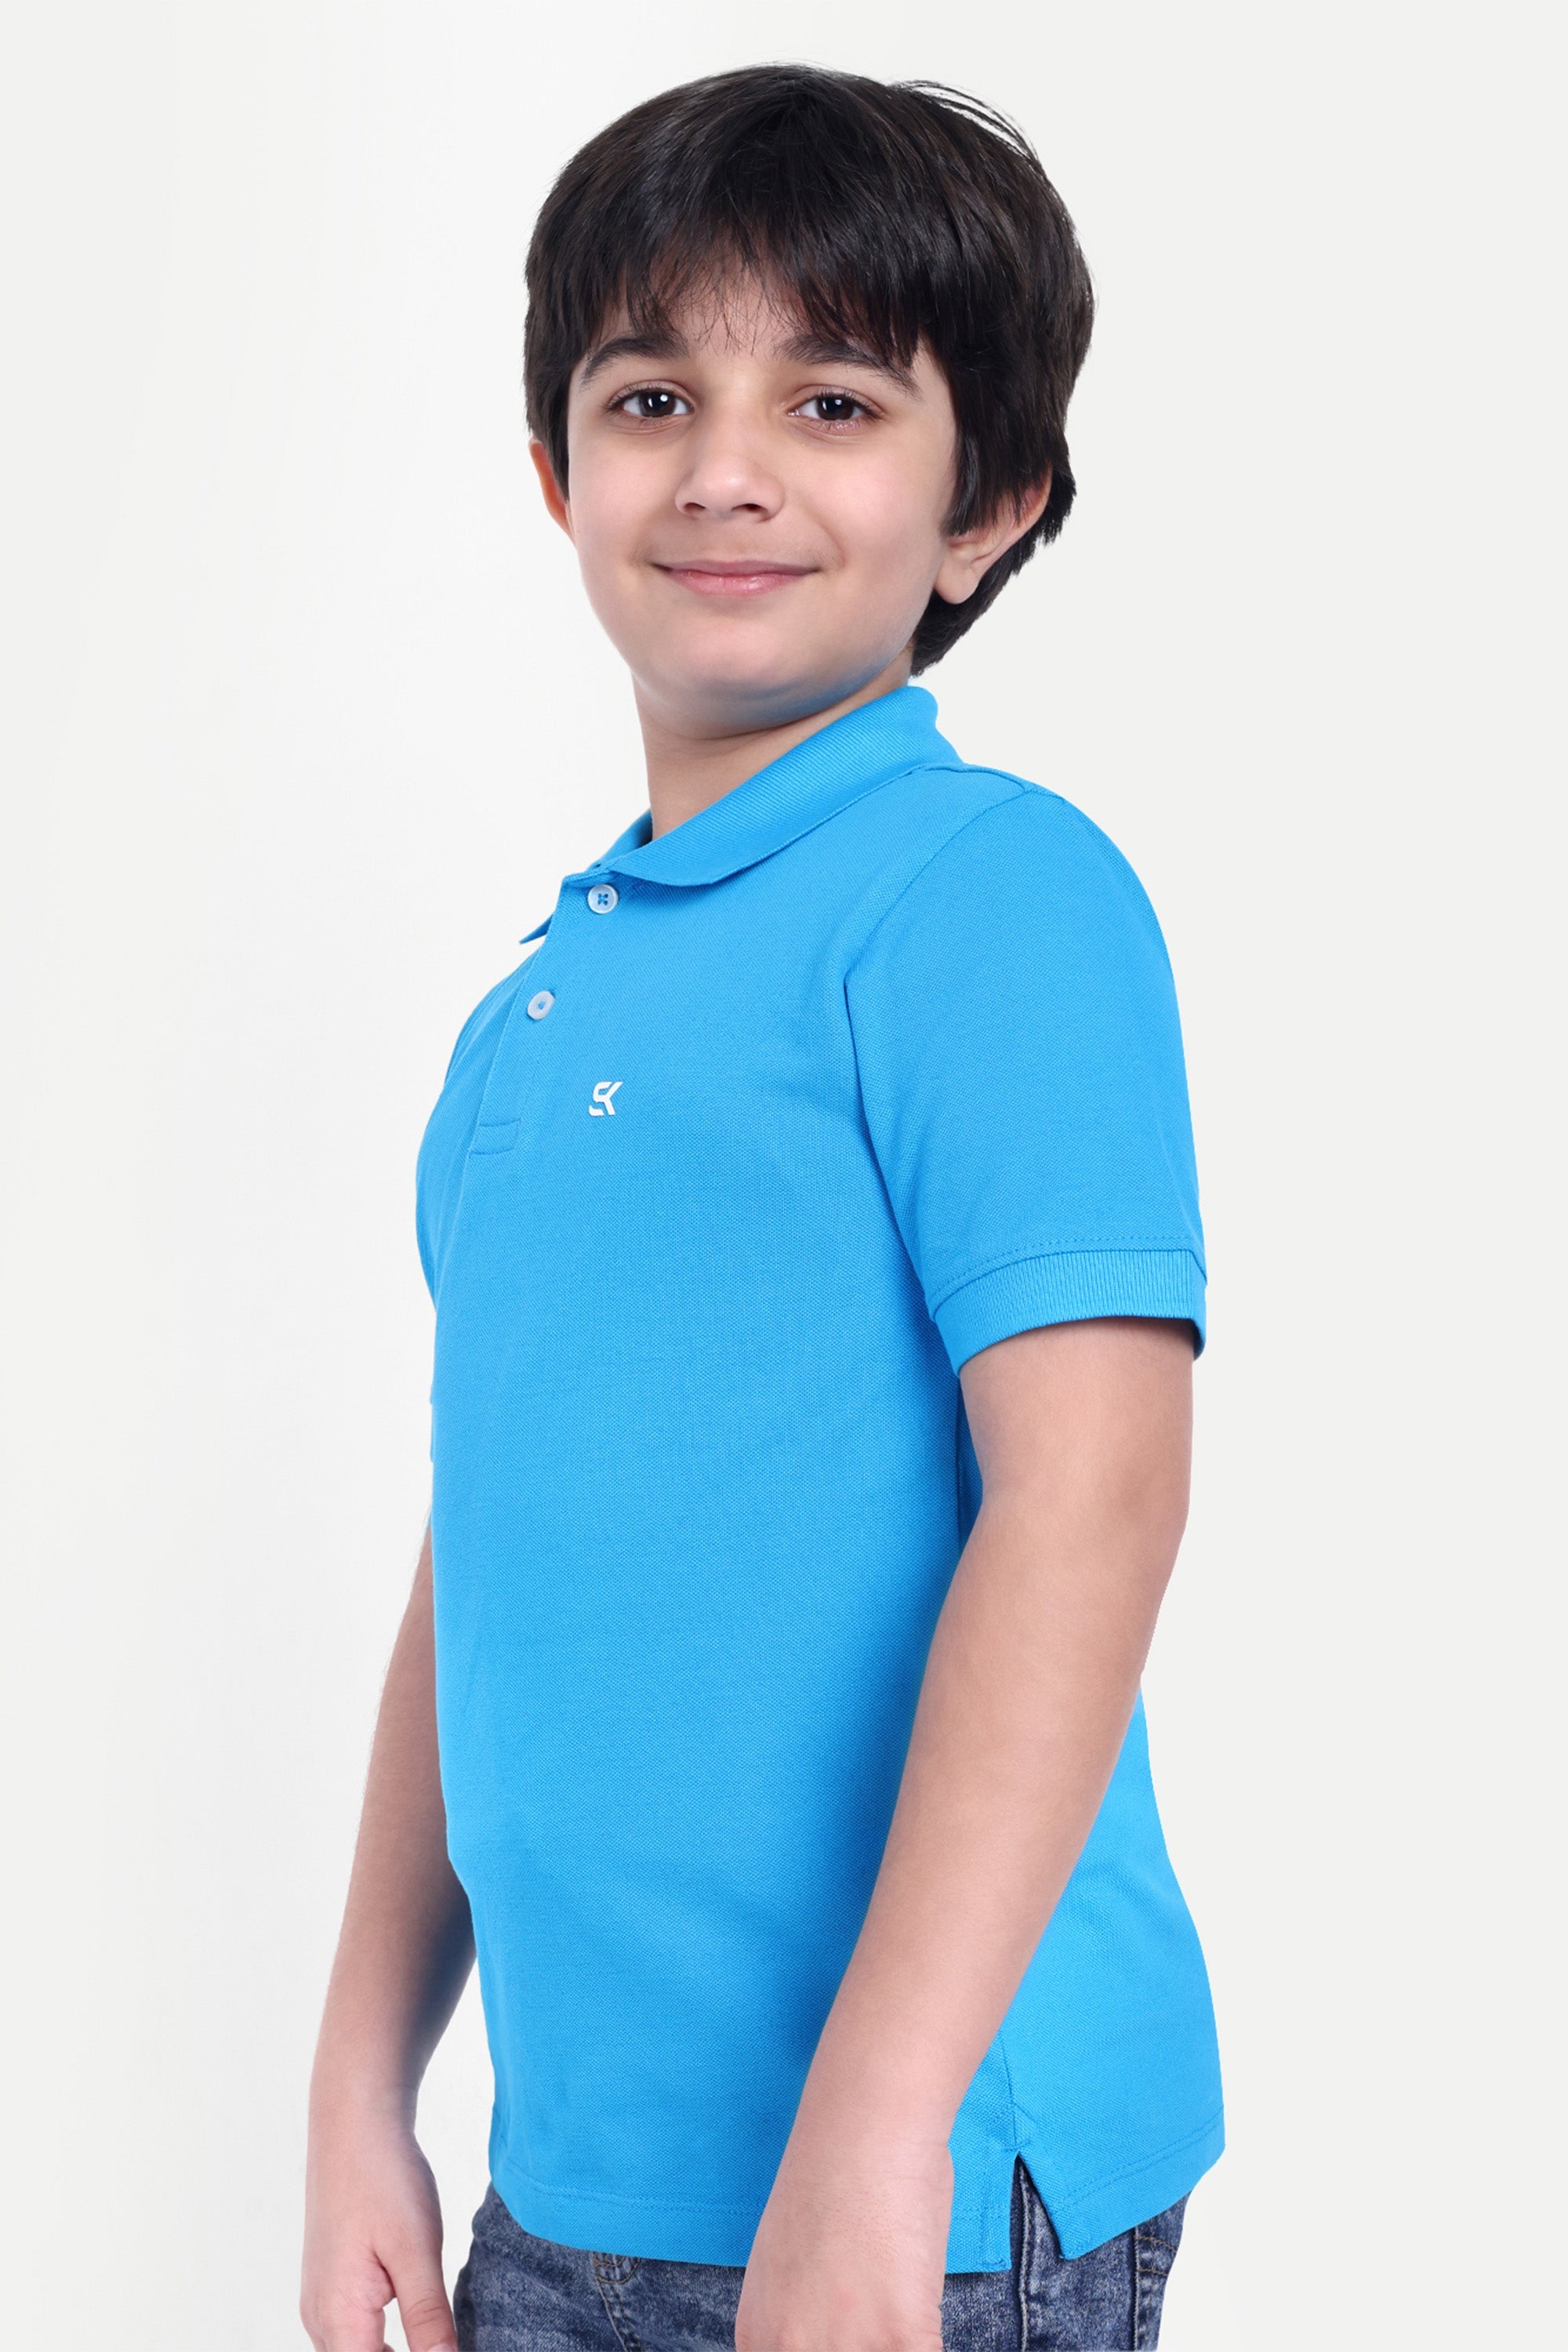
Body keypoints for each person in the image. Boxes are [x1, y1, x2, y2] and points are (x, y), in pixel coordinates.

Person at [301, 64, 1223, 2352]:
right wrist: (359, 2081)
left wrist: (880, 2130)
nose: (725, 469)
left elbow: (1092, 1498)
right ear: (558, 475)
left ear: (986, 504)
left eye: (831, 401)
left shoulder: (987, 890)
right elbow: (485, 1550)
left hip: (916, 2195)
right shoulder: (536, 1006)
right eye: (651, 398)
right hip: (571, 2196)